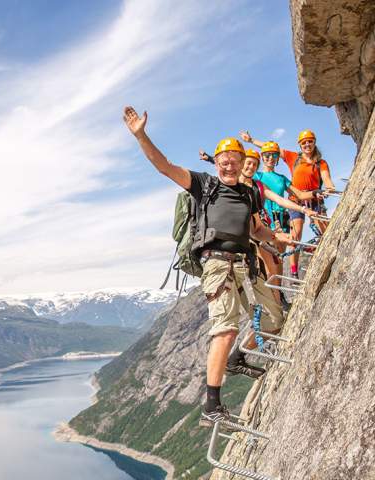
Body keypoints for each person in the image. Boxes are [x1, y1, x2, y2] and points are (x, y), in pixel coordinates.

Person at [124, 106, 292, 426]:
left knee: (275, 319)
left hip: (247, 263)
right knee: (226, 328)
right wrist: (141, 135)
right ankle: (211, 406)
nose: (229, 163)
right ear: (216, 164)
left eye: (234, 159)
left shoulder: (248, 194)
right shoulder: (204, 185)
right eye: (223, 159)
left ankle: (237, 358)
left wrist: (276, 238)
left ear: (243, 164)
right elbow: (164, 167)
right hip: (217, 265)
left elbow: (255, 228)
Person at [199, 148, 315, 305]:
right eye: (248, 163)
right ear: (241, 165)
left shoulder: (258, 186)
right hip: (249, 233)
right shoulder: (234, 183)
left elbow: (279, 200)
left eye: (254, 164)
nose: (251, 167)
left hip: (263, 228)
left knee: (276, 264)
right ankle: (276, 304)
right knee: (269, 266)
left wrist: (302, 209)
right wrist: (210, 158)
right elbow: (226, 167)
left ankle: (277, 299)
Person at [240, 129, 336, 277]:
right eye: (267, 156)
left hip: (281, 217)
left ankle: (280, 292)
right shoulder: (256, 175)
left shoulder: (283, 177)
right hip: (264, 218)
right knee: (268, 257)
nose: (270, 158)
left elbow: (300, 192)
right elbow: (240, 172)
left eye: (274, 156)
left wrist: (317, 192)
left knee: (279, 256)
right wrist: (251, 141)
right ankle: (274, 287)